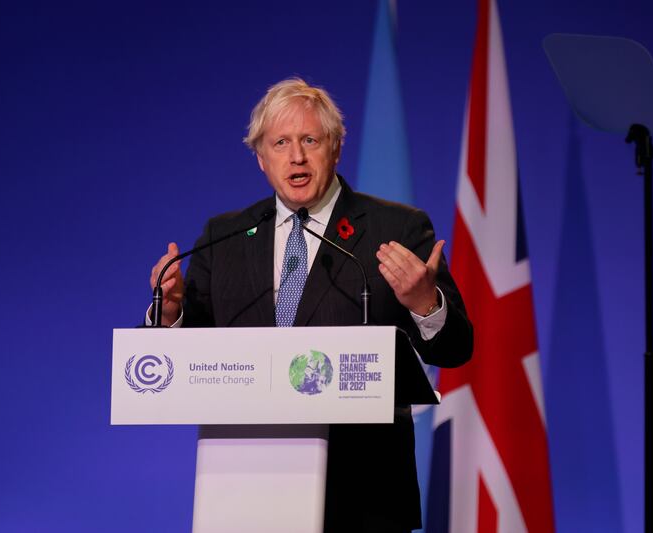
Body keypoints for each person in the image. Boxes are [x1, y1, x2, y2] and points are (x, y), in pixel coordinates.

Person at [148, 78, 473, 532]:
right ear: (261, 158)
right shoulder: (224, 237)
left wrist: (425, 304)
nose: (295, 156)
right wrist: (171, 315)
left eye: (309, 140)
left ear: (335, 149)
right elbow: (192, 359)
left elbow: (455, 349)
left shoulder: (395, 227)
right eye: (280, 143)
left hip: (363, 495)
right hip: (246, 489)